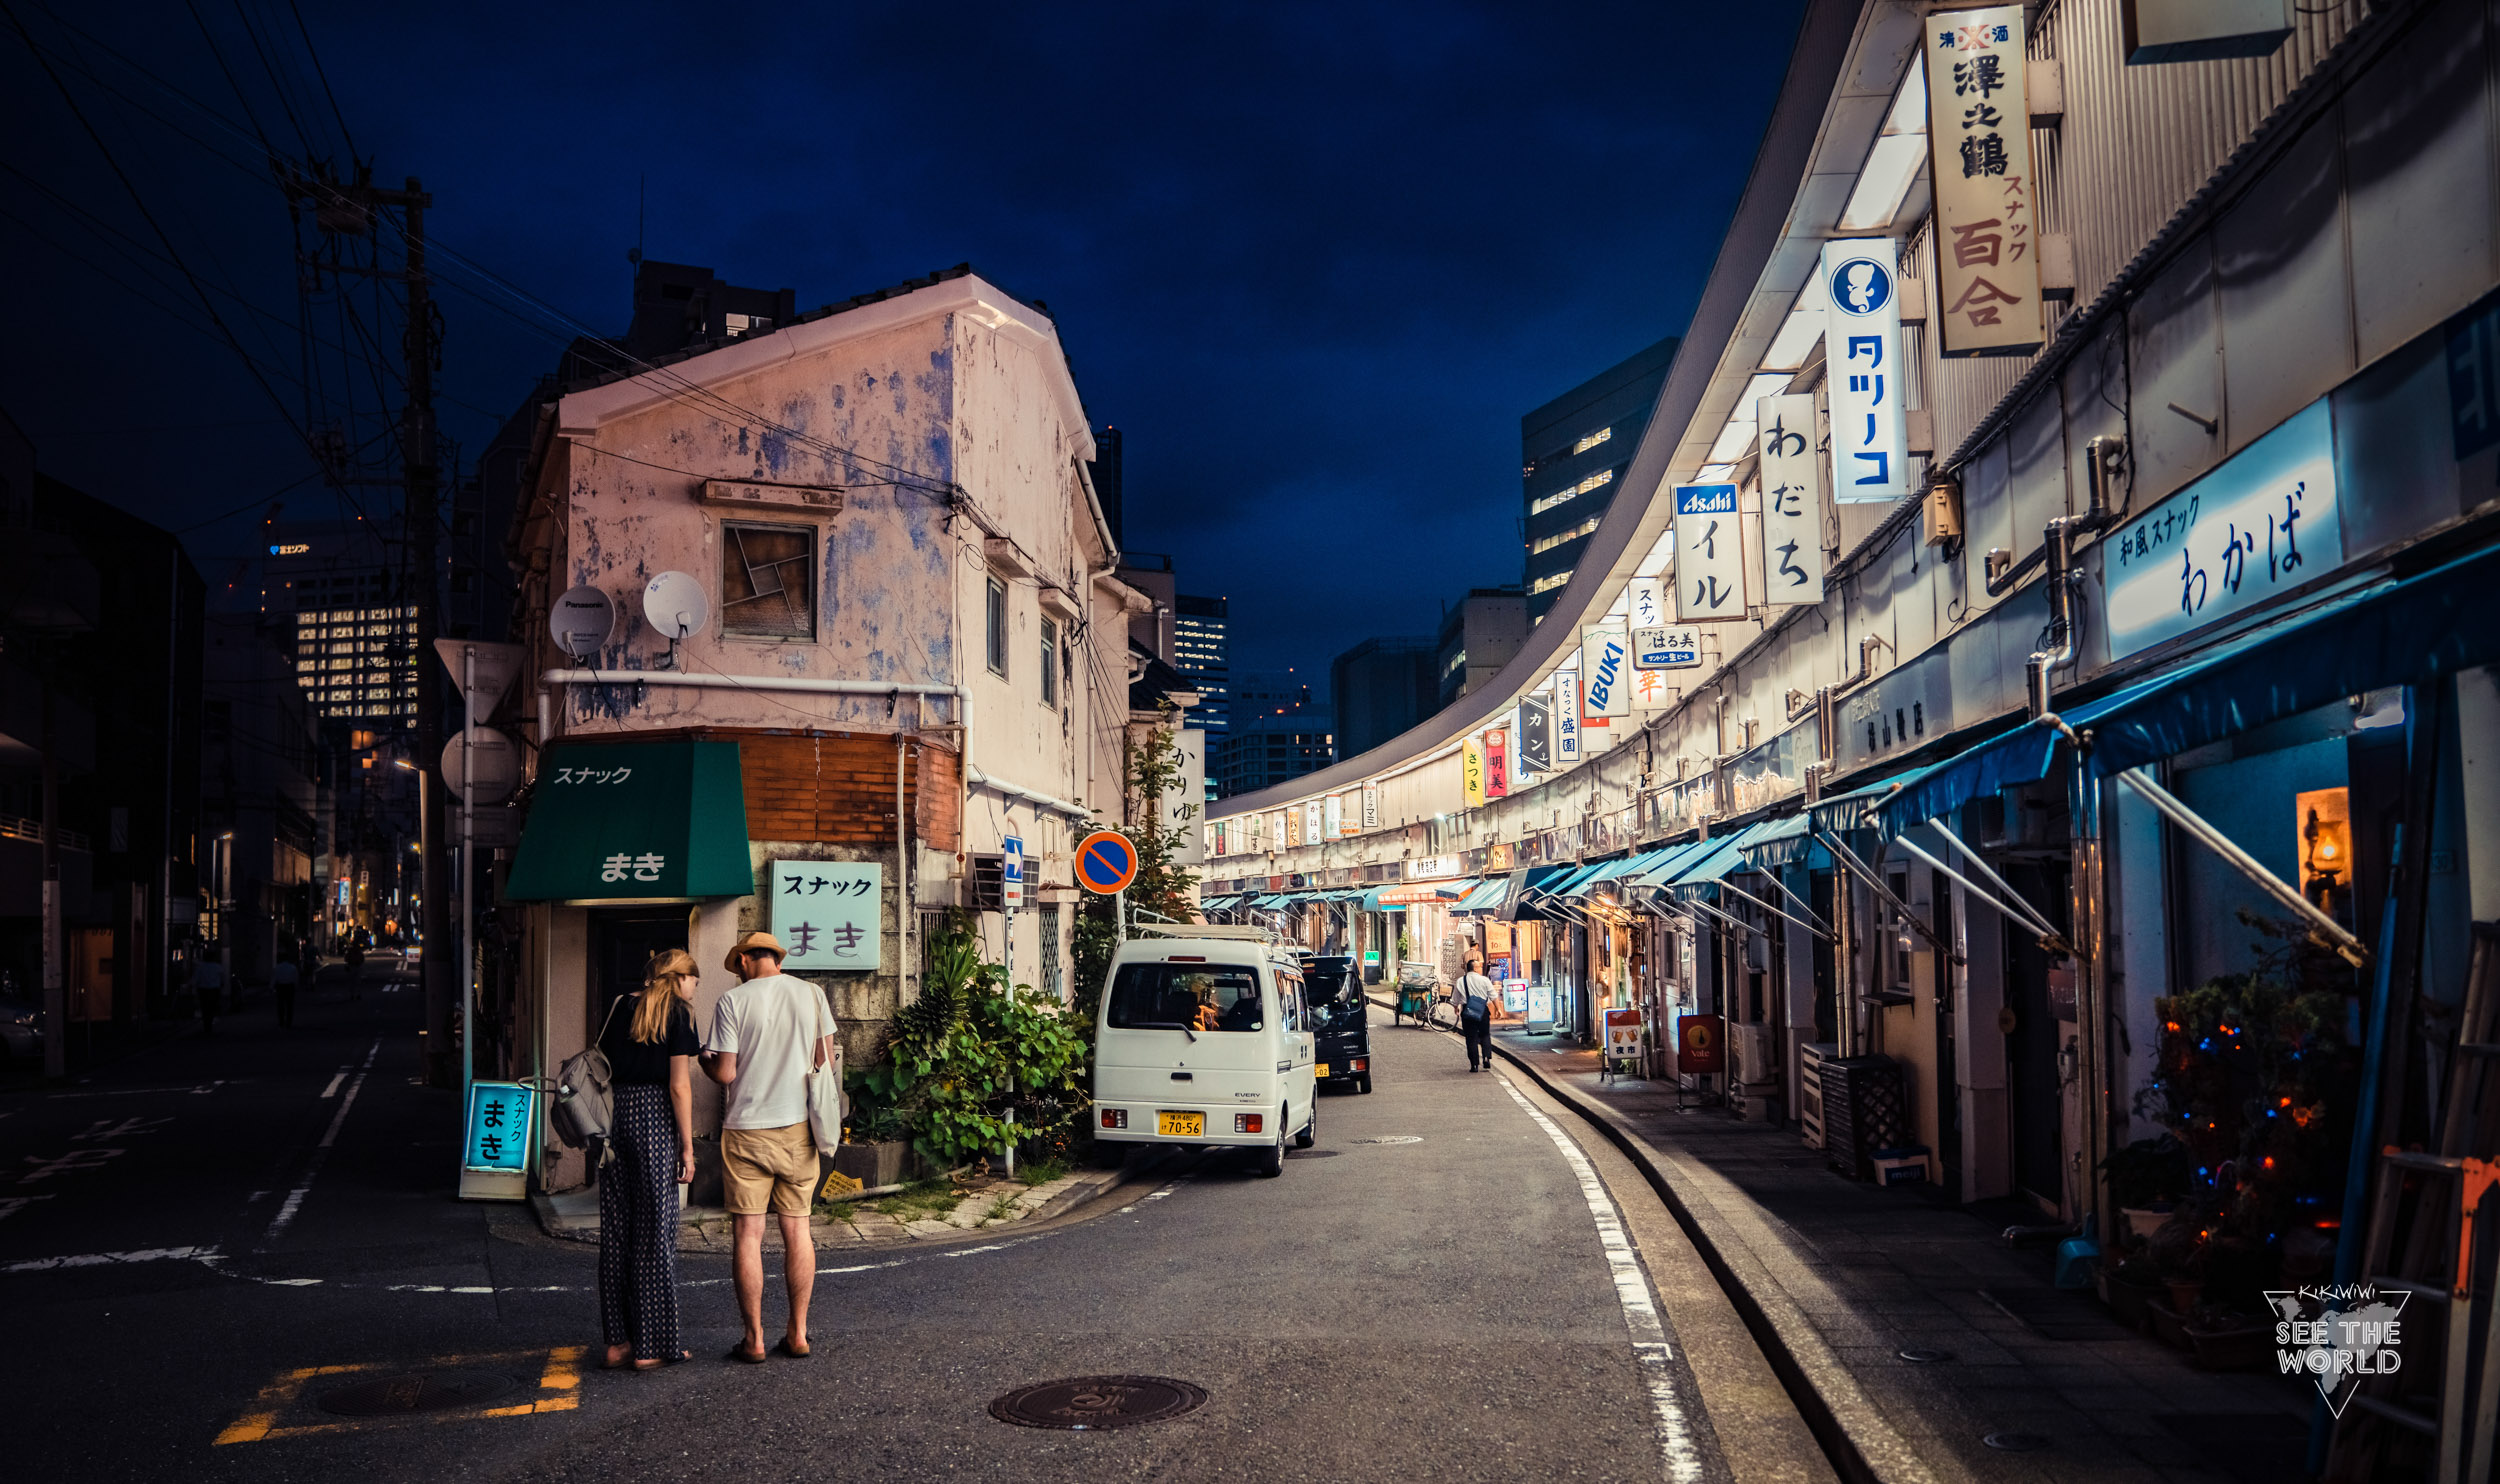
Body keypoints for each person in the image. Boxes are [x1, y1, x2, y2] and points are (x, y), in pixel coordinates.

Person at [702, 930, 837, 1365]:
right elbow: (825, 1060)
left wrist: (705, 1060)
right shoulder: (812, 994)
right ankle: (797, 1334)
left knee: (749, 1234)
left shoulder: (733, 1002)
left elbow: (724, 1074)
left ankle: (754, 1339)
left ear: (744, 960)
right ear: (776, 959)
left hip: (746, 1131)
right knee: (797, 1229)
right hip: (798, 1127)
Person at [598, 949, 701, 1371]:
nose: (696, 987)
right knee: (656, 1231)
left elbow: (602, 1064)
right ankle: (652, 1347)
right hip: (655, 1118)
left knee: (617, 1231)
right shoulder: (679, 1014)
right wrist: (688, 1145)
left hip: (616, 1119)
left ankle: (618, 1343)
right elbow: (679, 1087)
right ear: (681, 978)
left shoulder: (622, 1006)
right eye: (695, 979)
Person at [1456, 955, 1496, 1072]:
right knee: (1485, 1035)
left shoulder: (1460, 981)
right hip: (1482, 1011)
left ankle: (1474, 1065)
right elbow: (1493, 996)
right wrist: (1498, 1009)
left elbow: (1456, 998)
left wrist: (1455, 1007)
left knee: (1471, 1038)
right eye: (1478, 966)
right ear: (1474, 968)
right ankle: (1486, 1058)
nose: (1480, 968)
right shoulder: (1484, 980)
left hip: (1467, 1012)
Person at [193, 953, 224, 1037]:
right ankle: (209, 1022)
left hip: (203, 990)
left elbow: (196, 979)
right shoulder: (217, 967)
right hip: (214, 989)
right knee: (212, 1007)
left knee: (204, 1007)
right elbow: (222, 978)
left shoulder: (200, 967)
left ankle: (206, 1024)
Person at [272, 949, 299, 1029]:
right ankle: (289, 1022)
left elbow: (274, 978)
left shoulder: (277, 968)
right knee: (289, 1005)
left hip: (280, 987)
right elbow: (295, 979)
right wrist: (296, 987)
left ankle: (281, 1021)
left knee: (280, 1005)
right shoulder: (292, 968)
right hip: (290, 987)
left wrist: (271, 987)